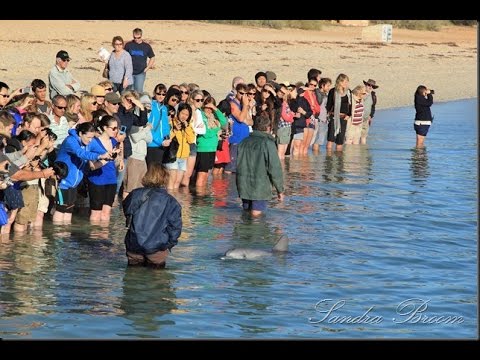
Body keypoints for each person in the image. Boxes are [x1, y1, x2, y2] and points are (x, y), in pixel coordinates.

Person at [123, 163, 182, 269]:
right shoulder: (171, 202)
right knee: (157, 281)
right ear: (165, 178)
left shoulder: (134, 194)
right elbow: (175, 228)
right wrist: (169, 244)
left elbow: (127, 211)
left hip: (134, 243)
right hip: (157, 248)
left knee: (132, 279)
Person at [236, 115, 284, 217]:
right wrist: (280, 189)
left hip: (243, 185)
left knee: (246, 214)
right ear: (268, 128)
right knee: (256, 216)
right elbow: (275, 168)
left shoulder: (243, 142)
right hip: (260, 187)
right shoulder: (268, 143)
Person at [124, 28, 156, 94]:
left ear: (141, 36)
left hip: (141, 73)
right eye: (135, 38)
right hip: (130, 72)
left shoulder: (146, 46)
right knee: (129, 92)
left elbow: (152, 57)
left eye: (138, 38)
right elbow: (123, 55)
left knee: (138, 91)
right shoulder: (129, 45)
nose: (136, 39)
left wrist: (147, 68)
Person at [360, 79, 378, 144]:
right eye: (369, 85)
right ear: (365, 85)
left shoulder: (373, 96)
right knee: (354, 137)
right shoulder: (360, 93)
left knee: (363, 136)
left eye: (372, 86)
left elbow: (373, 107)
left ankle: (363, 151)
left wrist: (371, 116)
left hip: (366, 119)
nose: (370, 87)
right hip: (357, 118)